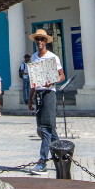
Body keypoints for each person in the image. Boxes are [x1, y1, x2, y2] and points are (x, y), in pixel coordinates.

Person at [28, 29, 64, 174]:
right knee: (47, 129)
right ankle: (62, 154)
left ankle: (42, 161)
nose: (40, 42)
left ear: (46, 41)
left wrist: (53, 81)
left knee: (46, 128)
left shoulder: (53, 58)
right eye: (38, 39)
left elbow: (62, 75)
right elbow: (32, 80)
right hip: (38, 93)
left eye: (42, 39)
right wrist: (30, 98)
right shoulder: (34, 58)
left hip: (49, 93)